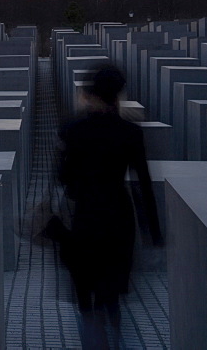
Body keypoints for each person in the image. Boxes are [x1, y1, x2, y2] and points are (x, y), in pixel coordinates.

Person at [58, 63, 162, 349]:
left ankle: (93, 339)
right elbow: (143, 183)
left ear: (91, 94)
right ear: (118, 94)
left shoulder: (75, 130)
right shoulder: (130, 132)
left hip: (86, 218)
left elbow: (63, 177)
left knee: (86, 294)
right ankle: (112, 339)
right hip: (119, 218)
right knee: (111, 294)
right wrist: (153, 232)